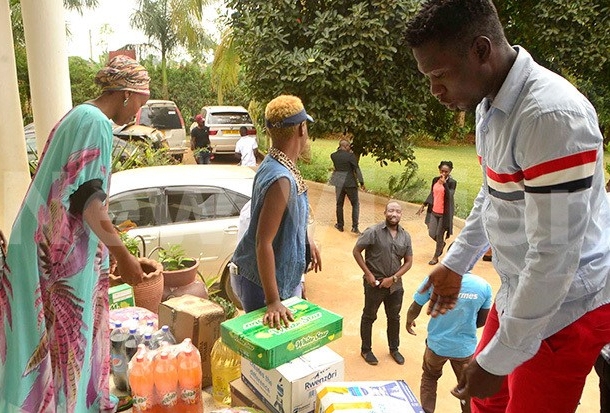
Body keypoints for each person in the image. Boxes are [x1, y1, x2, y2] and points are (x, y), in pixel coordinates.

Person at [405, 1, 610, 412]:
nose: (434, 91)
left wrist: (501, 357)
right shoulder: (491, 105)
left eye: (439, 75)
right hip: (521, 290)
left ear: (482, 50)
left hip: (566, 304)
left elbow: (555, 257)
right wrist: (455, 262)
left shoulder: (550, 116)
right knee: (485, 401)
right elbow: (493, 195)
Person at [0, 55, 147, 412]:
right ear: (126, 94)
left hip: (44, 246)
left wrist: (109, 253)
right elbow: (88, 201)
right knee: (65, 341)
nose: (139, 112)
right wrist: (124, 258)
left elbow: (77, 193)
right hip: (51, 256)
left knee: (55, 341)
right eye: (141, 101)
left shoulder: (79, 114)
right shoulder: (96, 122)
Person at [230, 95, 321, 328]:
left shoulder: (278, 163)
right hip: (262, 286)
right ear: (302, 129)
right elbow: (263, 242)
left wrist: (308, 241)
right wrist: (272, 301)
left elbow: (288, 217)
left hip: (277, 279)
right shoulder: (281, 178)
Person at [406, 271, 492, 413]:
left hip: (437, 345)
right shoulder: (483, 285)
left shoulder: (436, 279)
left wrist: (409, 321)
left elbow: (415, 306)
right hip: (464, 348)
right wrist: (463, 327)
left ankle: (427, 410)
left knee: (429, 377)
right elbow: (483, 320)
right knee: (465, 386)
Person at [353, 201, 413, 366]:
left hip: (395, 286)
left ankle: (394, 349)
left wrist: (393, 279)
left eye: (398, 211)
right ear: (385, 212)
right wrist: (368, 274)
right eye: (391, 210)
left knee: (394, 317)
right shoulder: (373, 232)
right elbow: (356, 251)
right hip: (375, 284)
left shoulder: (405, 236)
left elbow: (408, 262)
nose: (394, 214)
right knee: (369, 316)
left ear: (401, 214)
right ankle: (366, 349)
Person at [416, 160, 457, 265]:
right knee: (431, 233)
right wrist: (423, 205)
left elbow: (450, 195)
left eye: (446, 172)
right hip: (434, 211)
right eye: (442, 171)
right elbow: (432, 194)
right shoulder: (435, 180)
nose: (443, 173)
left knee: (439, 234)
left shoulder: (452, 182)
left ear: (450, 171)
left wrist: (445, 185)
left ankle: (435, 257)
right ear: (439, 170)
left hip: (444, 214)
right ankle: (441, 244)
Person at [330, 139, 365, 233]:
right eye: (349, 146)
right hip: (350, 183)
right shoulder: (351, 156)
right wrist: (361, 182)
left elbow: (338, 154)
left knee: (339, 204)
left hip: (338, 182)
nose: (350, 148)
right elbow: (356, 169)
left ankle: (340, 225)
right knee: (355, 204)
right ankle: (354, 227)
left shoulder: (333, 156)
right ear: (346, 146)